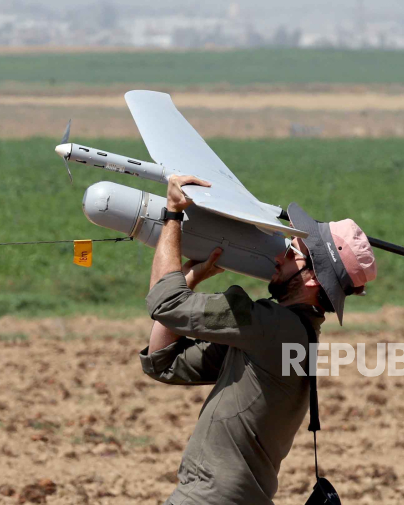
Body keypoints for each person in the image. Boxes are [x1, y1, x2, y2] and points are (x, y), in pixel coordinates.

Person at [140, 175, 377, 505]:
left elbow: (164, 303)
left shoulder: (272, 327)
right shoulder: (293, 336)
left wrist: (173, 214)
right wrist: (190, 278)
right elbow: (164, 362)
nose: (279, 257)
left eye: (292, 251)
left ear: (312, 280)